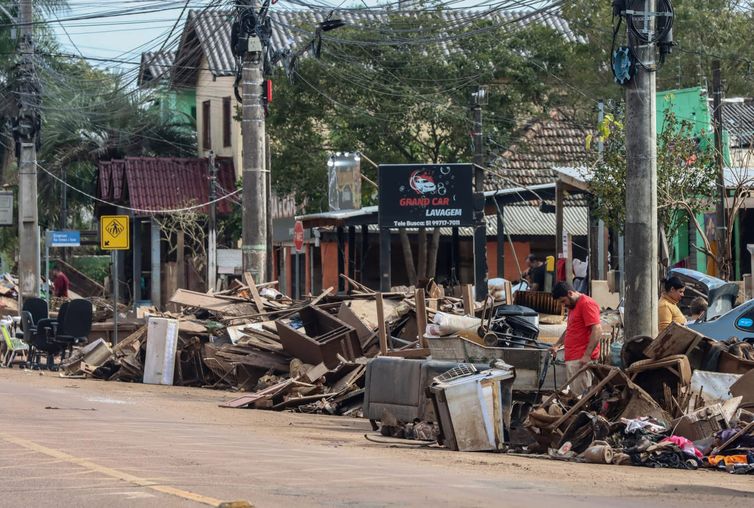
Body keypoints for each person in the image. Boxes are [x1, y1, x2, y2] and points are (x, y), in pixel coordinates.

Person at [549, 281, 602, 396]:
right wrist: (557, 345)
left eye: (563, 301)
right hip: (574, 359)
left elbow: (597, 329)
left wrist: (587, 355)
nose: (564, 305)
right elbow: (570, 329)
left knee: (583, 399)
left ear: (570, 293)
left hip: (581, 360)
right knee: (577, 396)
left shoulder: (586, 304)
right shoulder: (573, 307)